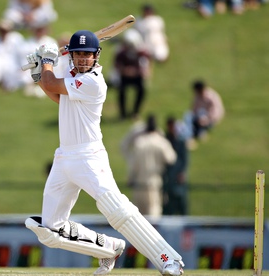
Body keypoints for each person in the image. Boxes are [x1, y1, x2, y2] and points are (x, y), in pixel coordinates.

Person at [23, 31, 184, 275]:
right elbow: (59, 97)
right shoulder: (72, 76)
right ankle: (109, 249)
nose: (83, 59)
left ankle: (168, 259)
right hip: (64, 157)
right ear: (73, 55)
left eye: (87, 55)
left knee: (116, 209)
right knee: (49, 231)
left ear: (96, 56)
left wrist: (46, 62)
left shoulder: (93, 82)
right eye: (78, 54)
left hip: (89, 156)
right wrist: (39, 73)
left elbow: (52, 83)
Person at [126, 114, 177, 217]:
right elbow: (171, 158)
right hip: (154, 182)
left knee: (137, 215)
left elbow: (133, 165)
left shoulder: (139, 143)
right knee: (154, 212)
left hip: (139, 183)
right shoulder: (161, 142)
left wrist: (130, 179)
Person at [113, 29, 151, 120]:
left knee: (142, 89)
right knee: (121, 90)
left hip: (137, 76)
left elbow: (145, 67)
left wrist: (137, 71)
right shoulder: (121, 52)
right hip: (125, 76)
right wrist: (125, 71)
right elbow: (117, 65)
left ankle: (136, 112)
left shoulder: (141, 52)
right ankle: (122, 113)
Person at [163, 116, 189, 216]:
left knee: (181, 199)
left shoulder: (180, 141)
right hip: (168, 175)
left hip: (178, 174)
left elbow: (184, 159)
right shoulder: (166, 139)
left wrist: (182, 171)